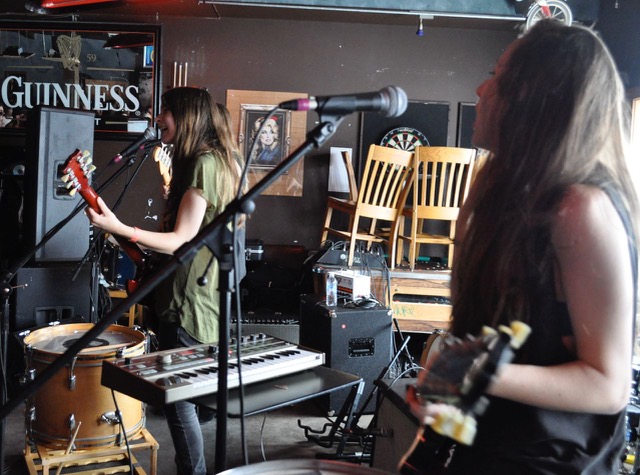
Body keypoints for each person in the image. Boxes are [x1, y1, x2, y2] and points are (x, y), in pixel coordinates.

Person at [406, 19, 639, 474]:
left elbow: (608, 386)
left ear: (534, 98)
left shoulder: (581, 208)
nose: (480, 90)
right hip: (492, 451)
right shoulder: (496, 189)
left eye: (496, 77)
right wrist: (450, 395)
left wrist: (478, 375)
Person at [87, 87, 245, 475]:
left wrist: (121, 228)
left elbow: (180, 240)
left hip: (187, 299)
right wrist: (118, 229)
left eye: (165, 112)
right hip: (201, 296)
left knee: (178, 402)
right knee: (184, 398)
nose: (157, 119)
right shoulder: (218, 160)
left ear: (185, 116)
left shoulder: (203, 163)